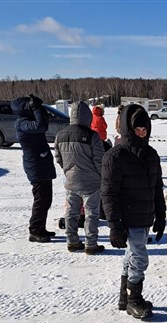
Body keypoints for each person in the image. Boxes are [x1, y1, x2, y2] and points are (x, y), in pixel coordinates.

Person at [101, 103, 166, 320]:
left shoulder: (151, 154)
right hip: (126, 217)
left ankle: (124, 296)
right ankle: (134, 300)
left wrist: (161, 215)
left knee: (131, 255)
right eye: (137, 129)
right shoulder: (115, 156)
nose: (141, 133)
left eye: (144, 129)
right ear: (128, 129)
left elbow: (157, 186)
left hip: (145, 215)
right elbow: (108, 194)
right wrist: (115, 226)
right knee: (140, 258)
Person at [54, 101, 105, 254]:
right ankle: (91, 244)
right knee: (91, 214)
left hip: (71, 181)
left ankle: (72, 241)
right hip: (90, 183)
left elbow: (58, 157)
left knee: (71, 213)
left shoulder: (60, 134)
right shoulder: (92, 135)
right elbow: (99, 160)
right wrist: (101, 176)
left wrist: (68, 171)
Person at [11, 94, 56, 243]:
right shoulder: (22, 123)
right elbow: (41, 126)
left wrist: (39, 108)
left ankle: (40, 228)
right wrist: (36, 108)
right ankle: (35, 230)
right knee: (41, 200)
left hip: (40, 164)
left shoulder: (27, 121)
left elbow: (44, 122)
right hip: (36, 166)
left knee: (46, 200)